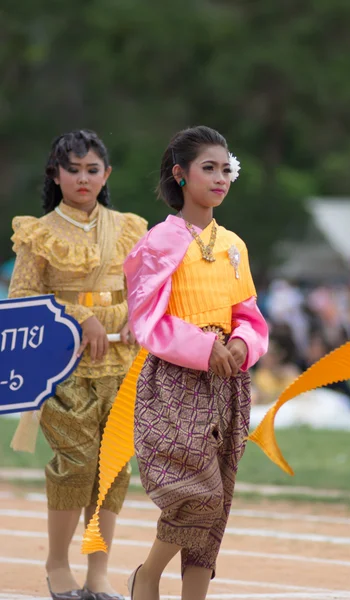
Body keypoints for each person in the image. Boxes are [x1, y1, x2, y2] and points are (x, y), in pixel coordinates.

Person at [124, 126, 268, 600]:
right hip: (174, 383)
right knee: (196, 493)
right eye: (209, 167)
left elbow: (249, 315)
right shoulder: (158, 243)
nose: (220, 177)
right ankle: (148, 575)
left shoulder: (234, 245)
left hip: (228, 382)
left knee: (218, 497)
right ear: (180, 175)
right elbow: (148, 320)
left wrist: (243, 345)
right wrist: (206, 348)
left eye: (226, 168)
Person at [8, 129, 147, 600]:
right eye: (73, 169)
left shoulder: (130, 227)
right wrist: (79, 316)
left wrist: (134, 315)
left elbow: (145, 289)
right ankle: (56, 563)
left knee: (114, 468)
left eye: (92, 169)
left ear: (106, 174)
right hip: (62, 365)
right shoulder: (39, 232)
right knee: (77, 463)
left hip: (122, 363)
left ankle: (99, 572)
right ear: (56, 174)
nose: (83, 178)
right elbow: (22, 296)